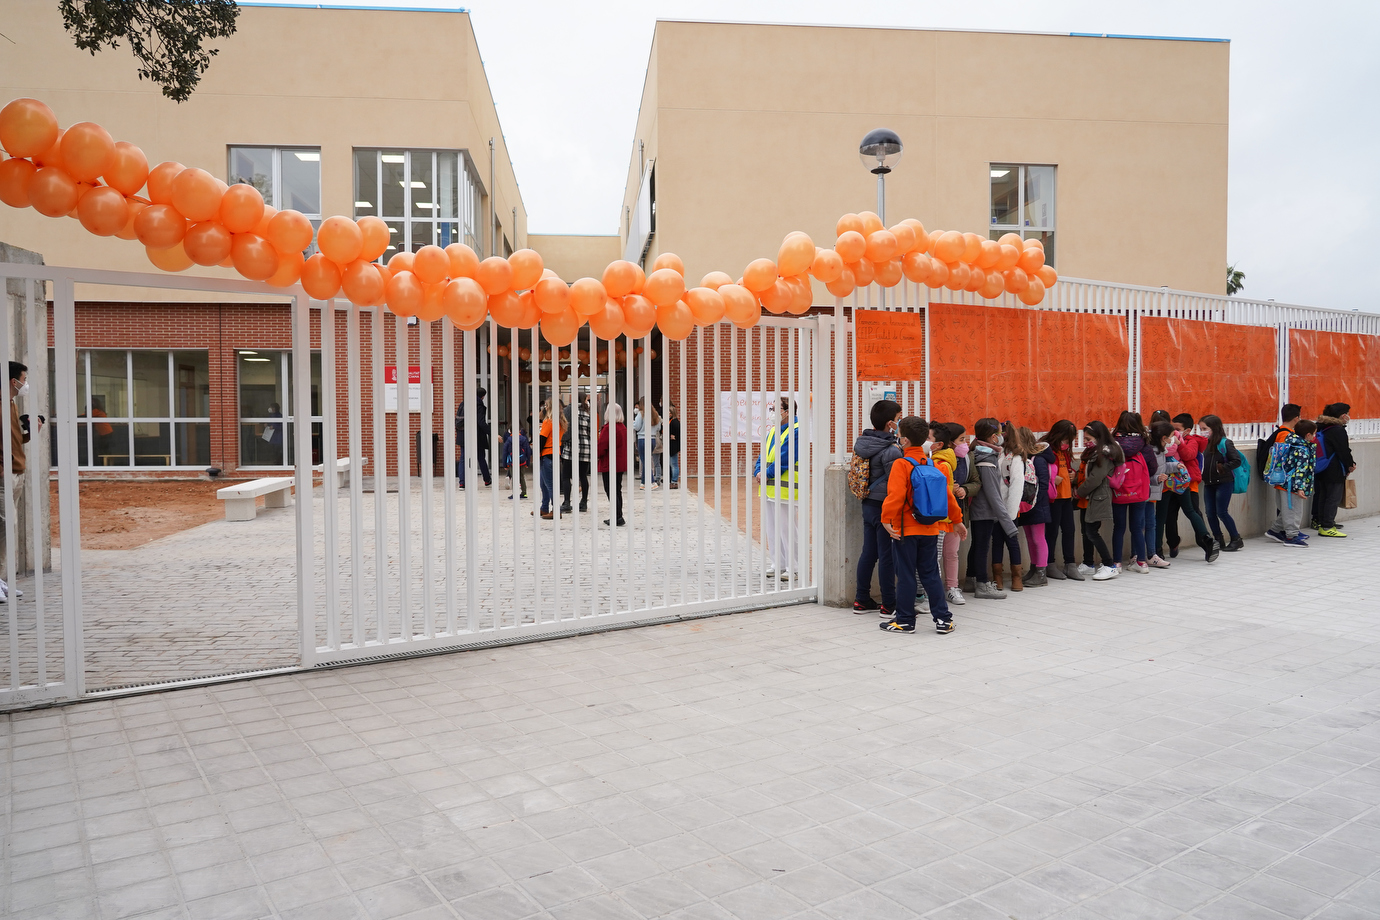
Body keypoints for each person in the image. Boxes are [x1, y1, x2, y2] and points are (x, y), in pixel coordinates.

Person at [879, 416, 966, 634]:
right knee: (930, 574)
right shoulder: (933, 464)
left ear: (905, 441)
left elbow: (895, 496)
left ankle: (905, 620)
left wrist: (886, 520)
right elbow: (947, 496)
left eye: (898, 436)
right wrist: (957, 521)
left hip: (905, 530)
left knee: (907, 574)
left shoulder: (901, 464)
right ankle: (944, 620)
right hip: (930, 529)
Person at [852, 399, 903, 615]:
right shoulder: (891, 449)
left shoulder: (864, 442)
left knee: (868, 553)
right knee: (886, 556)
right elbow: (896, 482)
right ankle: (889, 604)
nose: (901, 423)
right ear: (891, 424)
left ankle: (861, 599)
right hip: (885, 506)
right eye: (899, 419)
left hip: (868, 503)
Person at [2, 362, 40, 602]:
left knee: (8, 529)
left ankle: (1, 579)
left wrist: (30, 432)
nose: (25, 384)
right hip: (3, 475)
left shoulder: (11, 405)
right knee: (2, 529)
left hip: (16, 472)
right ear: (13, 381)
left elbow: (14, 442)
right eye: (23, 379)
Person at [754, 397, 801, 581]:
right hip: (769, 488)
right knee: (772, 529)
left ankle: (793, 566)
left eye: (776, 408)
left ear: (787, 411)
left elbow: (786, 458)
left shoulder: (796, 431)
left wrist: (766, 473)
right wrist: (758, 471)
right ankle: (778, 564)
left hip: (785, 489)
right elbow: (762, 455)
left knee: (787, 529)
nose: (772, 411)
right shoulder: (773, 431)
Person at [966, 419, 1011, 600]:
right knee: (982, 547)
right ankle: (982, 584)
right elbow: (993, 494)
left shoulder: (980, 454)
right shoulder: (986, 460)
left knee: (977, 545)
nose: (1001, 437)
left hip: (980, 508)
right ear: (993, 437)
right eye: (1000, 433)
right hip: (983, 510)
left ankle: (971, 578)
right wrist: (1008, 524)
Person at [1165, 413, 1219, 563]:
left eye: (1177, 429)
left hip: (1188, 484)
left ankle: (1206, 543)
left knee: (1193, 513)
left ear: (1187, 430)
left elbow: (1189, 455)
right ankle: (1173, 543)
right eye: (1172, 428)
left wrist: (1179, 443)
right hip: (1170, 484)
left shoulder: (1192, 440)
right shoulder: (1168, 440)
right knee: (1170, 517)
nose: (1175, 431)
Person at [1111, 411, 1157, 574]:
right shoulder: (1144, 444)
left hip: (1119, 491)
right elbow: (1152, 468)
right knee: (1137, 527)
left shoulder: (1113, 443)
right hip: (1139, 492)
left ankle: (1116, 563)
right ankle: (1141, 562)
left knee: (1119, 527)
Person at [1075, 420, 1121, 580]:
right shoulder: (1091, 453)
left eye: (1088, 439)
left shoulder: (1104, 454)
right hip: (1086, 498)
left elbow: (1095, 478)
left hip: (1096, 497)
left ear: (1098, 437)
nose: (1086, 442)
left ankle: (1109, 565)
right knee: (1085, 532)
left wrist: (1079, 492)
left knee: (1092, 532)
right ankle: (1088, 563)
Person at [930, 422, 968, 607]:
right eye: (961, 440)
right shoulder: (940, 460)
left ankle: (949, 589)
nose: (965, 444)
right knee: (936, 557)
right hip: (946, 515)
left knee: (949, 553)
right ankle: (936, 591)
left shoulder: (941, 463)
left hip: (946, 516)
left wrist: (964, 490)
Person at [1265, 417, 1318, 548]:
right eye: (1314, 434)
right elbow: (1300, 471)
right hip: (1292, 486)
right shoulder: (1302, 449)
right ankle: (1291, 536)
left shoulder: (1291, 443)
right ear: (1308, 435)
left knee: (1287, 510)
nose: (1315, 436)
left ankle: (1275, 530)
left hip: (1283, 482)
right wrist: (1300, 488)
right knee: (1293, 511)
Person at [1199, 413, 1245, 550]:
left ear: (1214, 428)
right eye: (1200, 429)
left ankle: (1236, 538)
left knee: (1222, 512)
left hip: (1224, 482)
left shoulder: (1225, 443)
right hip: (1209, 482)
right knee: (1210, 513)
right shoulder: (1204, 443)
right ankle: (1218, 539)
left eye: (1205, 428)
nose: (1203, 432)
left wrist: (1222, 468)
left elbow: (1236, 460)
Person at [1042, 420, 1081, 581]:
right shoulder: (1045, 449)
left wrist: (1073, 475)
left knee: (1070, 530)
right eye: (1065, 439)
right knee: (1051, 532)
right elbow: (1039, 469)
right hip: (1054, 497)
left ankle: (1070, 564)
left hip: (1066, 496)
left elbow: (1067, 467)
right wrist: (1052, 478)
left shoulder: (1064, 451)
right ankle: (1049, 564)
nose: (1067, 443)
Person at [989, 421, 1025, 592]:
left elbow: (1017, 485)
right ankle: (997, 577)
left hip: (1009, 509)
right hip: (995, 508)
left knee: (1012, 542)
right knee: (996, 542)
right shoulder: (995, 454)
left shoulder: (1015, 458)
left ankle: (1016, 577)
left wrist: (1010, 513)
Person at [1015, 426, 1053, 587]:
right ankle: (1034, 568)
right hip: (1027, 505)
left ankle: (1041, 572)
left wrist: (1035, 501)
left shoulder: (1039, 459)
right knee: (1030, 539)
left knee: (1038, 538)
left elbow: (1043, 483)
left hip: (1037, 505)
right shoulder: (1023, 458)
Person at [1313, 403, 1355, 537]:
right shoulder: (1337, 430)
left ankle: (1322, 522)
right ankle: (1327, 526)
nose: (1348, 417)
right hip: (1334, 468)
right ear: (1343, 415)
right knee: (1333, 497)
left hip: (1321, 466)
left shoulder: (1320, 426)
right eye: (1348, 414)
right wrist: (1350, 464)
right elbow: (1343, 450)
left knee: (1323, 496)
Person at [1147, 420, 1178, 567]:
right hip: (1147, 493)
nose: (1172, 440)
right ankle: (1148, 555)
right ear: (1163, 437)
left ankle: (1150, 554)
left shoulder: (1160, 451)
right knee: (1147, 525)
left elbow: (1162, 467)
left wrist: (1175, 466)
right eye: (1171, 436)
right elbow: (1144, 474)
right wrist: (1156, 479)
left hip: (1153, 493)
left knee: (1150, 524)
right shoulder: (1152, 451)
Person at [597, 403, 629, 526]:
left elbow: (602, 446)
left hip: (609, 463)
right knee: (617, 490)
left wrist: (597, 454)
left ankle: (616, 516)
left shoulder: (609, 428)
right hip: (619, 464)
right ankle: (618, 515)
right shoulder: (622, 427)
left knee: (610, 490)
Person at [455, 388, 493, 488]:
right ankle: (487, 480)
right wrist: (492, 433)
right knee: (480, 457)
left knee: (463, 458)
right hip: (476, 436)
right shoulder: (479, 406)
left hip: (463, 435)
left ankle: (462, 482)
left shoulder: (463, 403)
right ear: (483, 396)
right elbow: (481, 423)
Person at [561, 394, 592, 513]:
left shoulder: (568, 412)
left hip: (570, 448)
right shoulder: (587, 414)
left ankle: (567, 502)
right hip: (585, 448)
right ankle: (583, 502)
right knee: (583, 476)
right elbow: (590, 432)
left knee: (566, 476)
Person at [537, 399, 555, 519]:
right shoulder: (558, 422)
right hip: (552, 453)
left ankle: (555, 509)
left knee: (549, 484)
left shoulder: (548, 422)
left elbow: (542, 439)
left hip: (546, 454)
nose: (544, 408)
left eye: (546, 406)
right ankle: (544, 507)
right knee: (543, 483)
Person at [501, 427, 529, 499]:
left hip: (512, 461)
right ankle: (524, 492)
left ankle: (515, 493)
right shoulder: (524, 439)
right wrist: (527, 462)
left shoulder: (509, 440)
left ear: (510, 431)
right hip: (522, 461)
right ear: (520, 430)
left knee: (514, 477)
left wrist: (504, 464)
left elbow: (505, 452)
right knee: (522, 477)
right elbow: (528, 451)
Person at [667, 404, 681, 489]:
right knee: (671, 463)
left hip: (673, 446)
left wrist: (672, 436)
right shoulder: (670, 421)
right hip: (671, 445)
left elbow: (677, 434)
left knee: (674, 464)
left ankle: (674, 481)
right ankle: (672, 480)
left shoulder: (674, 422)